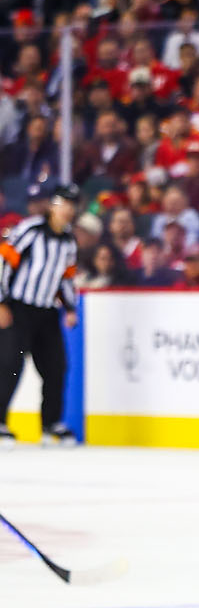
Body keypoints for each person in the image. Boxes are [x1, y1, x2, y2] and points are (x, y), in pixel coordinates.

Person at [0, 183, 81, 447]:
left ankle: (50, 424)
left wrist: (69, 308)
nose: (67, 210)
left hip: (47, 311)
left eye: (72, 205)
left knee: (56, 366)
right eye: (63, 204)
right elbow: (4, 262)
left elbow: (66, 278)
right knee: (10, 365)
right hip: (19, 308)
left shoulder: (68, 240)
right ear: (52, 205)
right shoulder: (30, 231)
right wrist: (1, 302)